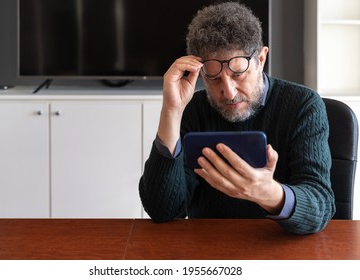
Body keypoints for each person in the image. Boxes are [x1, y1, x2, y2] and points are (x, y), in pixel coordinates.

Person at [139, 1, 335, 235]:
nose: (229, 92)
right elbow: (162, 210)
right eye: (214, 78)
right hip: (208, 248)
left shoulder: (303, 105)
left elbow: (321, 205)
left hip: (281, 248)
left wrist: (269, 193)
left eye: (238, 73)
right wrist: (171, 110)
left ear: (261, 59)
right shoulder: (192, 110)